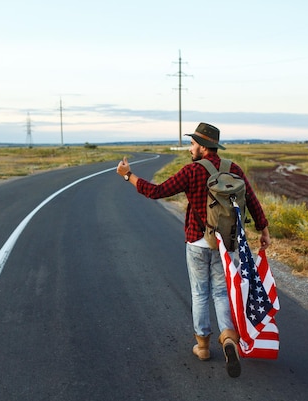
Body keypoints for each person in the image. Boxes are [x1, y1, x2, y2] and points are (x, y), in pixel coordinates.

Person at [116, 122, 271, 378]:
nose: (190, 148)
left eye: (192, 144)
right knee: (221, 293)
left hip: (197, 243)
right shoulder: (234, 168)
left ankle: (203, 347)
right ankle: (229, 339)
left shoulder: (191, 171)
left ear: (202, 146)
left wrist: (127, 175)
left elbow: (156, 192)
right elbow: (252, 200)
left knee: (200, 294)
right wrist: (263, 229)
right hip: (226, 244)